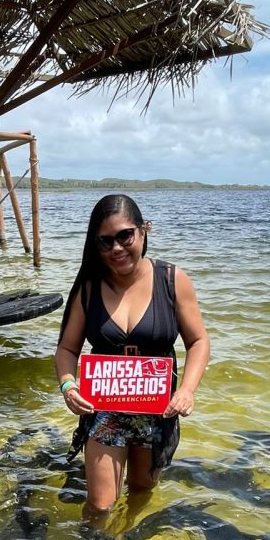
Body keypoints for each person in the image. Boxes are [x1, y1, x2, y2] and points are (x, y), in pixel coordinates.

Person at [55, 193, 210, 516]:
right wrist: (69, 387)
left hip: (157, 407)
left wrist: (187, 391)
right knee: (99, 505)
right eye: (105, 241)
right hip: (104, 407)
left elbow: (198, 341)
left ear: (143, 231)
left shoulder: (172, 280)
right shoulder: (88, 288)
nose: (116, 248)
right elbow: (67, 349)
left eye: (125, 235)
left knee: (141, 490)